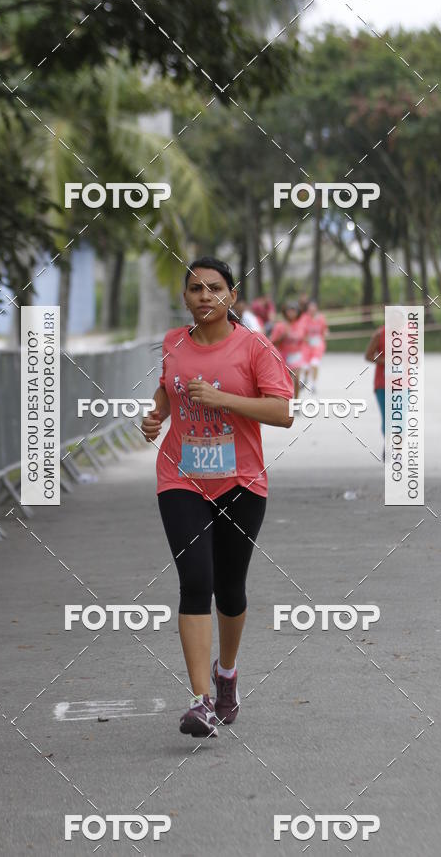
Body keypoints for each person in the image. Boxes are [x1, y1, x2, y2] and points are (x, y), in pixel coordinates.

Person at [141, 257, 294, 738]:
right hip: (181, 478)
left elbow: (283, 412)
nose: (204, 296)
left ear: (232, 297)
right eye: (195, 289)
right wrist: (155, 419)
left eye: (214, 288)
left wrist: (224, 400)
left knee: (230, 590)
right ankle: (200, 700)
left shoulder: (255, 347)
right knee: (195, 582)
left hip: (240, 482)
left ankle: (226, 673)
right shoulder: (173, 344)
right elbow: (168, 392)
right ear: (185, 298)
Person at [270, 301, 307, 399]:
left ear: (298, 312)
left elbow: (304, 340)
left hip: (296, 356)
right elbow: (272, 343)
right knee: (287, 382)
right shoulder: (280, 326)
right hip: (283, 356)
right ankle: (288, 402)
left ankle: (296, 402)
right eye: (289, 311)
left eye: (294, 311)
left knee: (296, 379)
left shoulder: (301, 325)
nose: (291, 313)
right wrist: (282, 337)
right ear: (285, 312)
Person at [365, 325, 386, 459]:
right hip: (383, 384)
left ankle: (397, 450)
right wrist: (385, 361)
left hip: (403, 384)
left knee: (400, 418)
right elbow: (368, 355)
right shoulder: (379, 334)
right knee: (388, 417)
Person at [301, 300, 328, 390]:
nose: (312, 310)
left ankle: (314, 384)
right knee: (305, 367)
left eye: (313, 308)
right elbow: (301, 332)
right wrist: (306, 338)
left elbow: (325, 330)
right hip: (306, 346)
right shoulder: (304, 318)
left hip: (318, 345)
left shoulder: (321, 318)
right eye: (310, 308)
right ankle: (305, 379)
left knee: (315, 363)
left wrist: (325, 334)